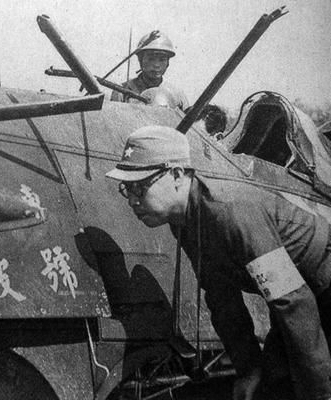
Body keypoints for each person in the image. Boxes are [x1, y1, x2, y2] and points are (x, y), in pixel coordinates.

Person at [105, 125, 331, 400]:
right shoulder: (186, 221)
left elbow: (293, 301)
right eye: (126, 188)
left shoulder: (229, 212)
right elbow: (222, 298)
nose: (131, 200)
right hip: (304, 292)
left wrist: (319, 393)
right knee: (274, 382)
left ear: (176, 174)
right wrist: (249, 370)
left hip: (319, 286)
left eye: (139, 187)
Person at [110, 31, 189, 111]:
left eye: (162, 60)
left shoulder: (177, 95)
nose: (156, 65)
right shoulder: (122, 91)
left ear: (168, 63)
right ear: (140, 60)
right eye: (151, 59)